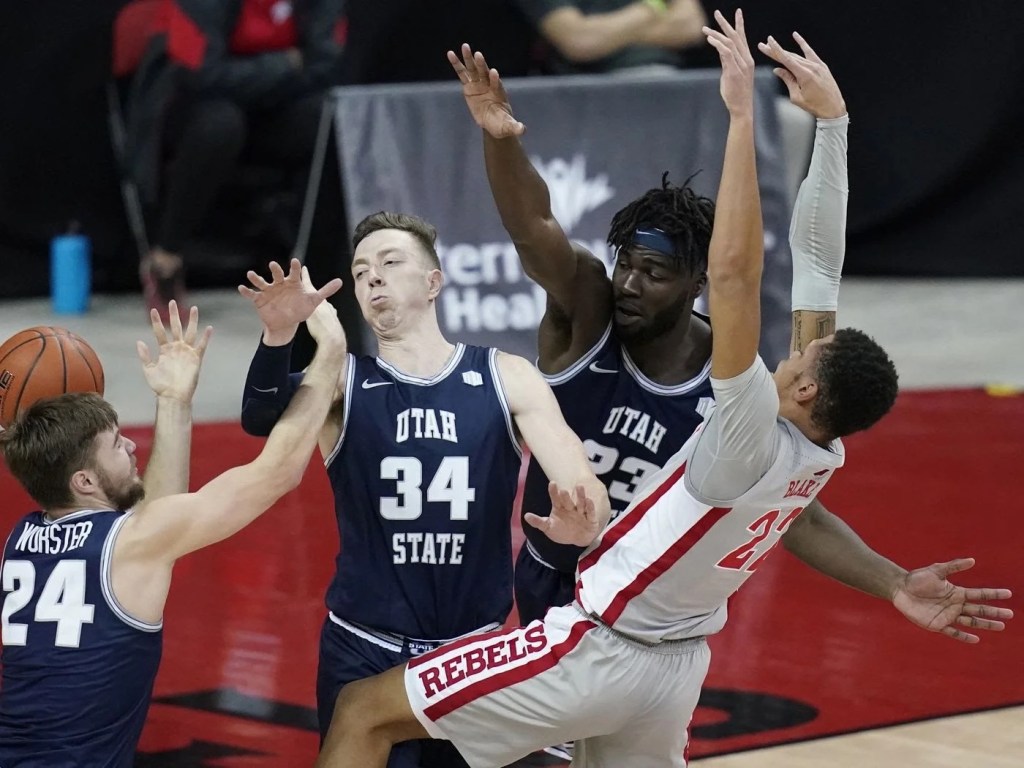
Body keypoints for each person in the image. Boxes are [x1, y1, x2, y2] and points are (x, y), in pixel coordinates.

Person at [314, 12, 1014, 767]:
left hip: (607, 623)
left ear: (696, 284)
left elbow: (764, 279)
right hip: (575, 600)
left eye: (654, 272)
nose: (630, 283)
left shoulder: (740, 391)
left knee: (376, 717)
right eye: (627, 264)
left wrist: (748, 115)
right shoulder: (599, 317)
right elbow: (537, 229)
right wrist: (501, 139)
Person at [238, 223, 608, 767]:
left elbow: (582, 484)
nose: (372, 279)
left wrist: (585, 522)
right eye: (361, 272)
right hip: (364, 647)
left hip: (470, 652)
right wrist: (277, 338)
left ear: (434, 282)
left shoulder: (506, 375)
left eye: (389, 263)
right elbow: (259, 418)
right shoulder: (343, 382)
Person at [0, 291, 345, 766]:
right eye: (116, 445)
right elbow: (278, 471)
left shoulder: (22, 540)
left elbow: (158, 518)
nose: (130, 447)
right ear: (83, 481)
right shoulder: (130, 543)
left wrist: (174, 401)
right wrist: (329, 356)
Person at [127, 0, 358, 341]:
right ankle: (164, 260)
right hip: (197, 108)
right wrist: (285, 63)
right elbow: (202, 73)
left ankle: (315, 260)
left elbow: (328, 64)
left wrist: (270, 72)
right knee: (220, 126)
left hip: (274, 103)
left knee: (327, 118)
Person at [514, 0, 707, 75]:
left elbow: (691, 26)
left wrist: (607, 34)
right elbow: (579, 41)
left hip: (669, 76)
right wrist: (653, 7)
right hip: (592, 87)